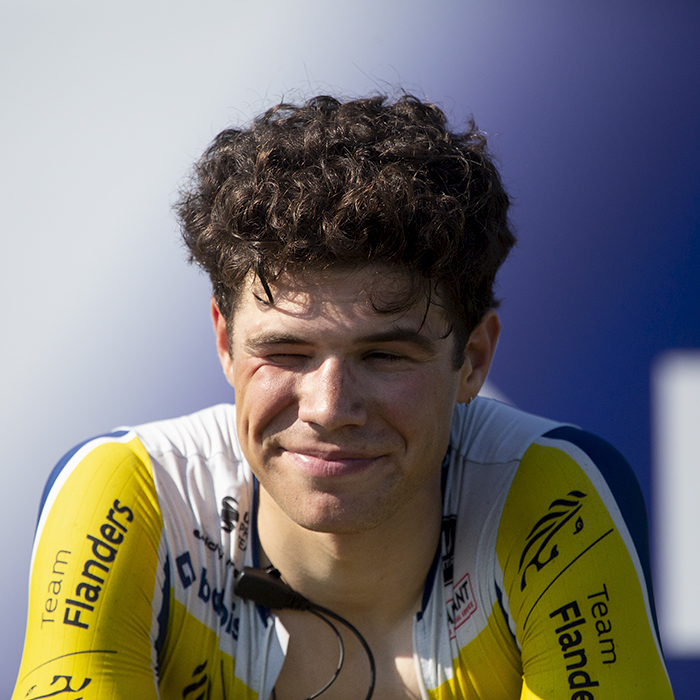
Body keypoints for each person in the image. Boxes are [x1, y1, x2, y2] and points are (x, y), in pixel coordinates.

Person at [12, 94, 674, 700]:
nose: (328, 407)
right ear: (224, 341)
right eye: (285, 354)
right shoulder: (133, 491)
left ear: (471, 359)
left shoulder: (550, 492)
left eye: (384, 355)